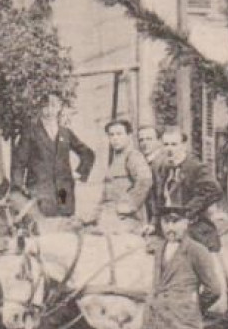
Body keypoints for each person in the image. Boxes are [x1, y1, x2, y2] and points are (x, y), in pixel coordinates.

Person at [11, 94, 96, 228]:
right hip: (40, 192)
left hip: (63, 191)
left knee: (65, 227)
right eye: (45, 107)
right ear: (40, 109)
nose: (49, 111)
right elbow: (19, 163)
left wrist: (79, 172)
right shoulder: (30, 132)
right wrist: (18, 188)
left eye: (53, 106)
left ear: (59, 108)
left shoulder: (65, 133)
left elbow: (88, 154)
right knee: (41, 229)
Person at [152, 127, 224, 253]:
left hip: (195, 227)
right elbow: (161, 202)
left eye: (174, 144)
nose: (169, 149)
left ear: (183, 146)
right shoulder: (163, 169)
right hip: (169, 228)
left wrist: (186, 212)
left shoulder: (196, 167)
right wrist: (153, 224)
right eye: (166, 145)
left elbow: (214, 190)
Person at [95, 118, 152, 233]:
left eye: (119, 134)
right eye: (111, 135)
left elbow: (145, 181)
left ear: (129, 136)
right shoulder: (116, 159)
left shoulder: (133, 156)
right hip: (112, 216)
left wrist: (129, 205)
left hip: (128, 219)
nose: (115, 138)